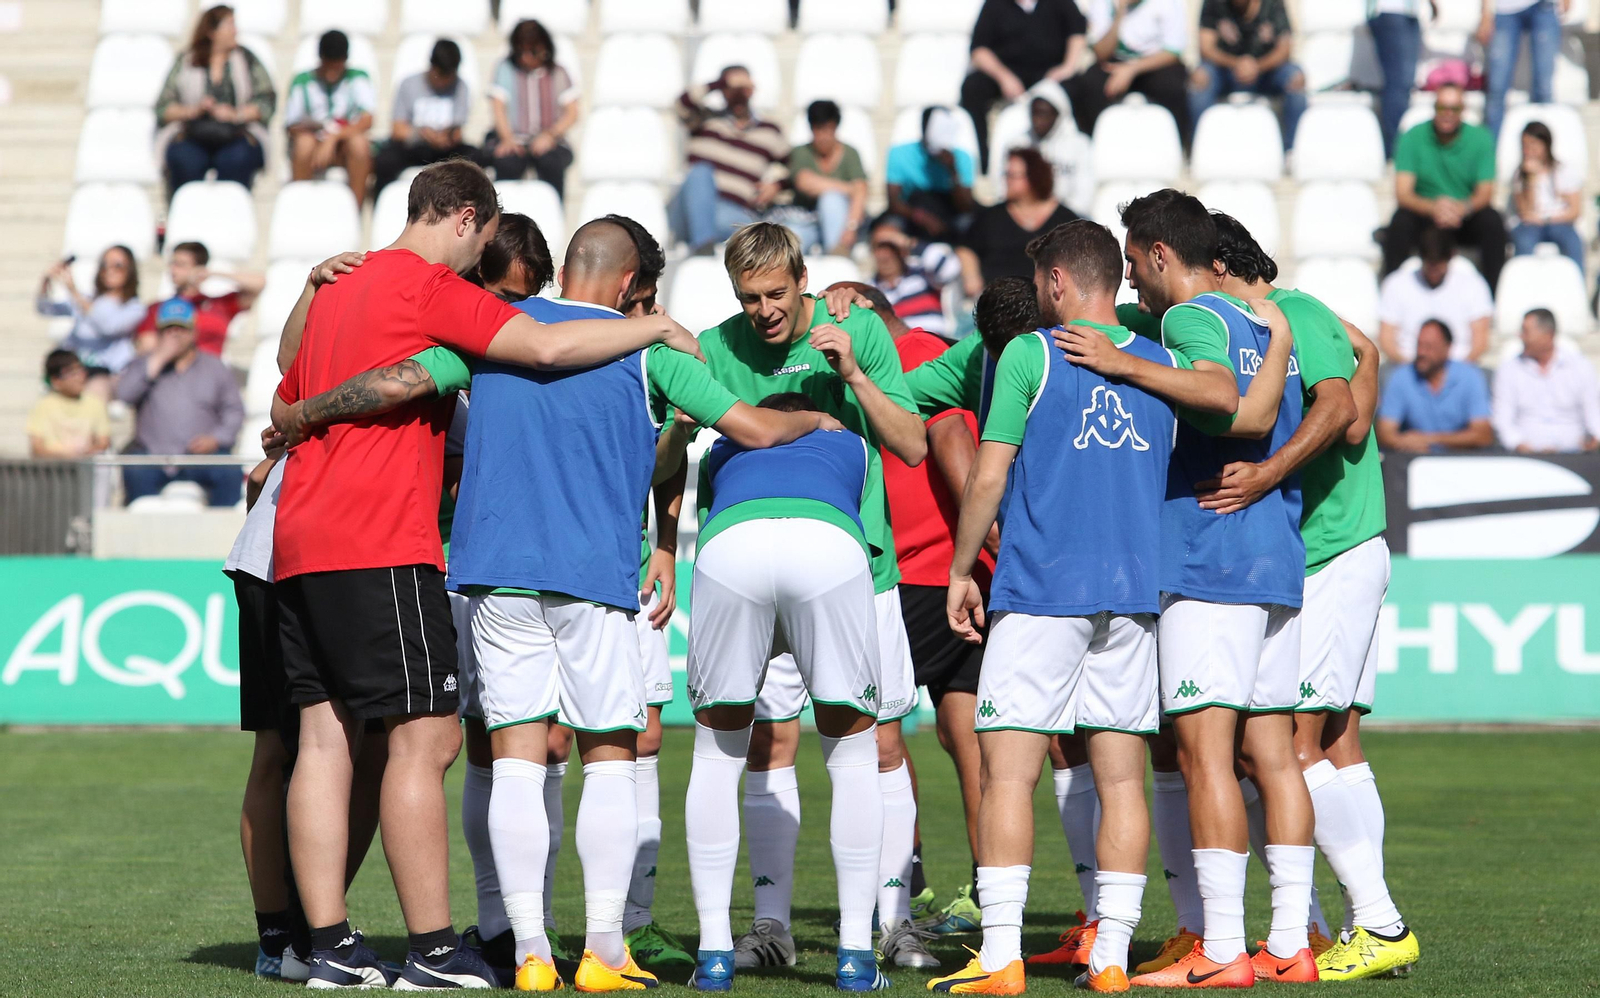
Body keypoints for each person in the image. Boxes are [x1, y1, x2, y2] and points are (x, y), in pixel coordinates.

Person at [265, 160, 699, 990]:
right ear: (464, 220)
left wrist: (299, 390)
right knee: (426, 740)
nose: (480, 266)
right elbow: (539, 342)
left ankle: (323, 945)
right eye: (483, 243)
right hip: (378, 532)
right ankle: (433, 950)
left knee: (322, 738)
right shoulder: (427, 286)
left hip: (299, 533)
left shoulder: (334, 286)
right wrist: (649, 330)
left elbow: (293, 376)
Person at [663, 223, 932, 974]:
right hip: (786, 552)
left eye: (776, 294)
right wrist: (671, 464)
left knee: (879, 743)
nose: (764, 311)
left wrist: (856, 379)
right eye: (750, 298)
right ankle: (769, 927)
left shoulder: (860, 331)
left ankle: (892, 922)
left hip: (862, 564)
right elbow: (668, 461)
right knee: (764, 741)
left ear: (803, 279)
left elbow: (911, 445)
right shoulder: (715, 347)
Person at [1065, 191, 1310, 988]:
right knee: (1272, 755)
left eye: (1134, 264)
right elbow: (1267, 400)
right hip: (1273, 554)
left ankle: (1222, 947)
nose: (1132, 282)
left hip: (1209, 557)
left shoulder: (1186, 322)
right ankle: (1289, 945)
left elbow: (1222, 401)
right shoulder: (1266, 327)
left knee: (1204, 757)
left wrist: (1120, 364)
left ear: (1161, 253)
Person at [930, 222, 1177, 996]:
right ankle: (1110, 961)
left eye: (1041, 284)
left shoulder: (1029, 355)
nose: (1037, 297)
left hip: (1042, 591)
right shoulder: (1165, 364)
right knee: (1124, 781)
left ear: (1062, 282)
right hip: (1133, 596)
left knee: (1008, 772)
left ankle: (1001, 956)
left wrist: (963, 568)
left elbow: (989, 474)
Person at [1206, 215, 1423, 983]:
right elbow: (1363, 348)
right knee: (1334, 746)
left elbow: (1350, 410)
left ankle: (1376, 919)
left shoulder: (1292, 315)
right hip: (1340, 550)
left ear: (1221, 264)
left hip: (1332, 552)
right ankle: (1347, 925)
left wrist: (1267, 473)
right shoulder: (1301, 314)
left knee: (1286, 746)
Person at [684, 393, 900, 992]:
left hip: (732, 549)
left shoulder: (721, 446)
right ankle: (857, 954)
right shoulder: (853, 444)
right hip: (828, 547)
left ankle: (714, 955)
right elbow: (875, 552)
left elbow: (709, 528)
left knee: (716, 752)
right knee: (854, 756)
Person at [228, 250, 383, 983]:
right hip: (282, 556)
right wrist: (308, 286)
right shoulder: (368, 337)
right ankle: (282, 936)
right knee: (287, 747)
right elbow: (290, 369)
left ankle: (314, 929)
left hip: (329, 554)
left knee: (355, 751)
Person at [833, 282, 997, 931]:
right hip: (949, 573)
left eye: (840, 305)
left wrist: (979, 544)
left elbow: (954, 439)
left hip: (924, 576)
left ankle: (907, 890)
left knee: (882, 735)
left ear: (865, 307)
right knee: (966, 741)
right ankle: (986, 892)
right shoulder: (918, 351)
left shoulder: (914, 352)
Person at [116, 298, 245, 506]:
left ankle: (226, 535)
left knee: (228, 471)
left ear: (193, 332)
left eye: (181, 329)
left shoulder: (215, 367)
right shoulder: (143, 364)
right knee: (134, 469)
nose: (175, 334)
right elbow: (124, 395)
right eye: (168, 329)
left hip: (201, 456)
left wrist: (215, 439)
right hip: (154, 456)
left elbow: (234, 411)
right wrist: (159, 359)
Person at [1382, 82, 1506, 291]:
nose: (1447, 114)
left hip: (1464, 216)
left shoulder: (1480, 138)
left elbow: (1485, 192)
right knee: (1399, 223)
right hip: (1425, 214)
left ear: (1462, 111)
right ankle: (1391, 294)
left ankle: (1491, 296)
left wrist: (1461, 208)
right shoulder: (1413, 136)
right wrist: (1434, 208)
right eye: (1442, 107)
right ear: (1434, 109)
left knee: (1492, 223)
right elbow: (1403, 193)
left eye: (1454, 108)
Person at [156, 4, 275, 197]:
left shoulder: (246, 59)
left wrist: (236, 114)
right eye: (229, 25)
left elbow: (267, 101)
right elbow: (163, 107)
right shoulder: (187, 61)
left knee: (235, 161)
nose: (235, 31)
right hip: (193, 133)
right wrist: (194, 110)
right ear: (211, 31)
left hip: (237, 134)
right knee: (185, 161)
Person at [670, 66, 789, 253]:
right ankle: (703, 246)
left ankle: (705, 246)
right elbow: (681, 104)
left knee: (759, 231)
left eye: (743, 89)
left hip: (732, 213)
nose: (738, 94)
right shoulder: (705, 119)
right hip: (689, 210)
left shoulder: (770, 131)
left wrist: (777, 185)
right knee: (700, 172)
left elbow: (794, 167)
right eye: (732, 89)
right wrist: (722, 83)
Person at [960, 0, 1089, 171]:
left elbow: (1078, 33)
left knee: (1084, 88)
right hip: (1008, 74)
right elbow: (978, 50)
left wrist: (1067, 67)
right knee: (973, 87)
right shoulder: (994, 5)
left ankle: (1079, 158)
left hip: (1050, 74)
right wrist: (1003, 77)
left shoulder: (1061, 3)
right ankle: (983, 163)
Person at [1068, 0, 1191, 148]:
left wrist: (1132, 69)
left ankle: (1176, 147)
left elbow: (1173, 52)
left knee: (1171, 87)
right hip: (1114, 61)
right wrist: (1120, 14)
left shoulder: (1170, 3)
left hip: (1156, 61)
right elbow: (1101, 52)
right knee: (1089, 84)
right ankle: (1092, 146)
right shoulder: (1103, 3)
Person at [959, 147, 1078, 295]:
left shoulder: (1066, 221)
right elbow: (966, 247)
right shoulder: (991, 217)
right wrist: (971, 277)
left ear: (1034, 176)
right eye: (1006, 174)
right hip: (997, 303)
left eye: (1012, 175)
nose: (1006, 180)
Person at [1188, 0, 1306, 150]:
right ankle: (1199, 150)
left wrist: (1257, 66)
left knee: (1295, 77)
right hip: (1225, 71)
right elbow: (1206, 48)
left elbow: (1284, 49)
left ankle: (1292, 151)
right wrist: (1237, 64)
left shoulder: (1272, 4)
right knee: (1200, 77)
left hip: (1266, 72)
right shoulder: (1214, 3)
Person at [486, 20, 579, 196]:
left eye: (532, 51)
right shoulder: (505, 69)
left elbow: (572, 113)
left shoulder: (559, 73)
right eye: (521, 51)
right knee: (507, 162)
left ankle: (554, 211)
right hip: (513, 140)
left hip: (550, 141)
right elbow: (498, 107)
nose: (526, 57)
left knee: (551, 163)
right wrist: (507, 138)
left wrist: (550, 135)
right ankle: (503, 217)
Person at [373, 40, 477, 195]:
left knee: (475, 159)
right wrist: (422, 134)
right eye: (440, 75)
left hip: (445, 150)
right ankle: (380, 202)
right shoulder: (408, 84)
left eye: (448, 76)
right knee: (385, 161)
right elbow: (398, 130)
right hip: (413, 148)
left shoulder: (461, 87)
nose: (444, 82)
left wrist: (444, 137)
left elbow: (458, 132)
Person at [1377, 225, 1493, 364]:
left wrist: (1451, 373)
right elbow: (1387, 340)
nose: (1434, 273)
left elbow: (1480, 342)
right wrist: (1415, 371)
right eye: (1429, 265)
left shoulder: (1474, 285)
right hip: (1408, 369)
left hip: (1458, 368)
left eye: (1439, 266)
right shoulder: (1395, 284)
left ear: (1451, 257)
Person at [284, 30, 375, 203]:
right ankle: (299, 205)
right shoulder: (302, 81)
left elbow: (367, 119)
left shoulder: (359, 79)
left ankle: (355, 209)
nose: (332, 73)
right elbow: (291, 124)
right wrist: (320, 135)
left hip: (344, 144)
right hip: (314, 144)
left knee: (360, 145)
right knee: (304, 144)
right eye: (328, 65)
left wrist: (334, 138)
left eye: (337, 66)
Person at [1377, 320, 1495, 452]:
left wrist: (1428, 439)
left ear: (1447, 347)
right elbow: (1384, 432)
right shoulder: (1401, 377)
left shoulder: (1470, 377)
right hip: (1412, 459)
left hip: (1460, 461)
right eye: (1419, 345)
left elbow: (1483, 435)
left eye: (1429, 346)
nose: (1422, 352)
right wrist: (1405, 443)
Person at [1493, 308, 1600, 453]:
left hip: (1575, 455)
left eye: (1526, 331)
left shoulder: (1580, 367)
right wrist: (1519, 445)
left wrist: (1595, 439)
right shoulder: (1509, 370)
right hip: (1525, 458)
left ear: (1547, 335)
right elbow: (1503, 420)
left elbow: (1593, 413)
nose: (1520, 336)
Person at [136, 241, 264, 358]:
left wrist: (212, 274)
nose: (173, 270)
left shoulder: (219, 305)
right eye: (172, 263)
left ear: (198, 268)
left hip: (210, 375)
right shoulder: (158, 307)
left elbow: (258, 284)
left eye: (180, 265)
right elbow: (146, 348)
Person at [35, 245, 144, 379]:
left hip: (104, 373)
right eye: (105, 265)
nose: (110, 270)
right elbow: (45, 309)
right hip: (74, 369)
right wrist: (46, 281)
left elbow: (108, 327)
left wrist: (74, 293)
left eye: (118, 266)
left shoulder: (134, 308)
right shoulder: (87, 300)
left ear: (130, 270)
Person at [990, 81, 1093, 216]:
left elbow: (1084, 194)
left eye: (1044, 114)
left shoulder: (1079, 145)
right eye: (1034, 113)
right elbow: (1002, 188)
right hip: (1023, 217)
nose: (1038, 120)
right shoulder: (1018, 144)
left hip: (1068, 220)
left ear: (1058, 114)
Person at [785, 100, 868, 254]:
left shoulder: (850, 153)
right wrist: (850, 189)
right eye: (818, 130)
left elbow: (862, 192)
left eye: (828, 129)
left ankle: (836, 255)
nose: (823, 136)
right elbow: (804, 183)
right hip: (807, 222)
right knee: (791, 239)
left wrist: (851, 227)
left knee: (831, 200)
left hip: (844, 223)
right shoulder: (800, 152)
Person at [885, 107, 976, 241]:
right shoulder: (899, 153)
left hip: (949, 209)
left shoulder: (962, 158)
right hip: (913, 211)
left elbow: (966, 206)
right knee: (889, 227)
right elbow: (894, 202)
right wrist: (922, 218)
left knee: (971, 225)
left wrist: (953, 170)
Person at [1482, 0, 1569, 139]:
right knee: (1496, 88)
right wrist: (1485, 14)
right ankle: (1490, 154)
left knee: (1543, 88)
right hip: (1505, 9)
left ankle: (1542, 150)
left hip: (1544, 6)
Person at [1509, 120, 1584, 270]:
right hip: (1530, 225)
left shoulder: (1564, 170)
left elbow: (1575, 211)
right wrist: (1531, 179)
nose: (1528, 150)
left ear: (1546, 144)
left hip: (1558, 222)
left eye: (1533, 144)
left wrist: (1547, 219)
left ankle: (1578, 288)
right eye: (1525, 145)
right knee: (1524, 241)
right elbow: (1525, 212)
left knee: (1573, 242)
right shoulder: (1519, 175)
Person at [870, 218, 962, 339]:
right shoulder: (869, 289)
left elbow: (950, 268)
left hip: (936, 344)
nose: (886, 255)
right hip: (899, 351)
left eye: (892, 247)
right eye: (880, 248)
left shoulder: (922, 272)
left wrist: (906, 242)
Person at [1369, 1, 1430, 159]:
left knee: (1404, 84)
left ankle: (1399, 149)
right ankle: (1396, 152)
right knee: (1397, 84)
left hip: (1409, 12)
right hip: (1390, 10)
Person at [27, 349, 110, 458]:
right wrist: (64, 455)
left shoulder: (95, 404)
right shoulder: (44, 406)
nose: (79, 377)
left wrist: (84, 454)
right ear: (55, 381)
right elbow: (37, 447)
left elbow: (103, 442)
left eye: (80, 371)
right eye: (72, 373)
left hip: (86, 469)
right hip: (54, 470)